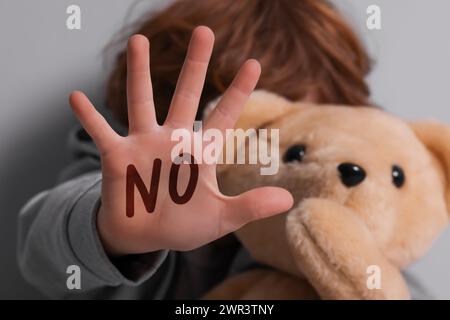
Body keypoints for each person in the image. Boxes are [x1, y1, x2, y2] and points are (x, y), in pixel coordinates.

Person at [18, 0, 376, 299]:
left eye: (291, 132)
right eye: (237, 125)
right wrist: (109, 229)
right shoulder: (122, 174)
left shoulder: (345, 195)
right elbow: (41, 254)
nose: (266, 151)